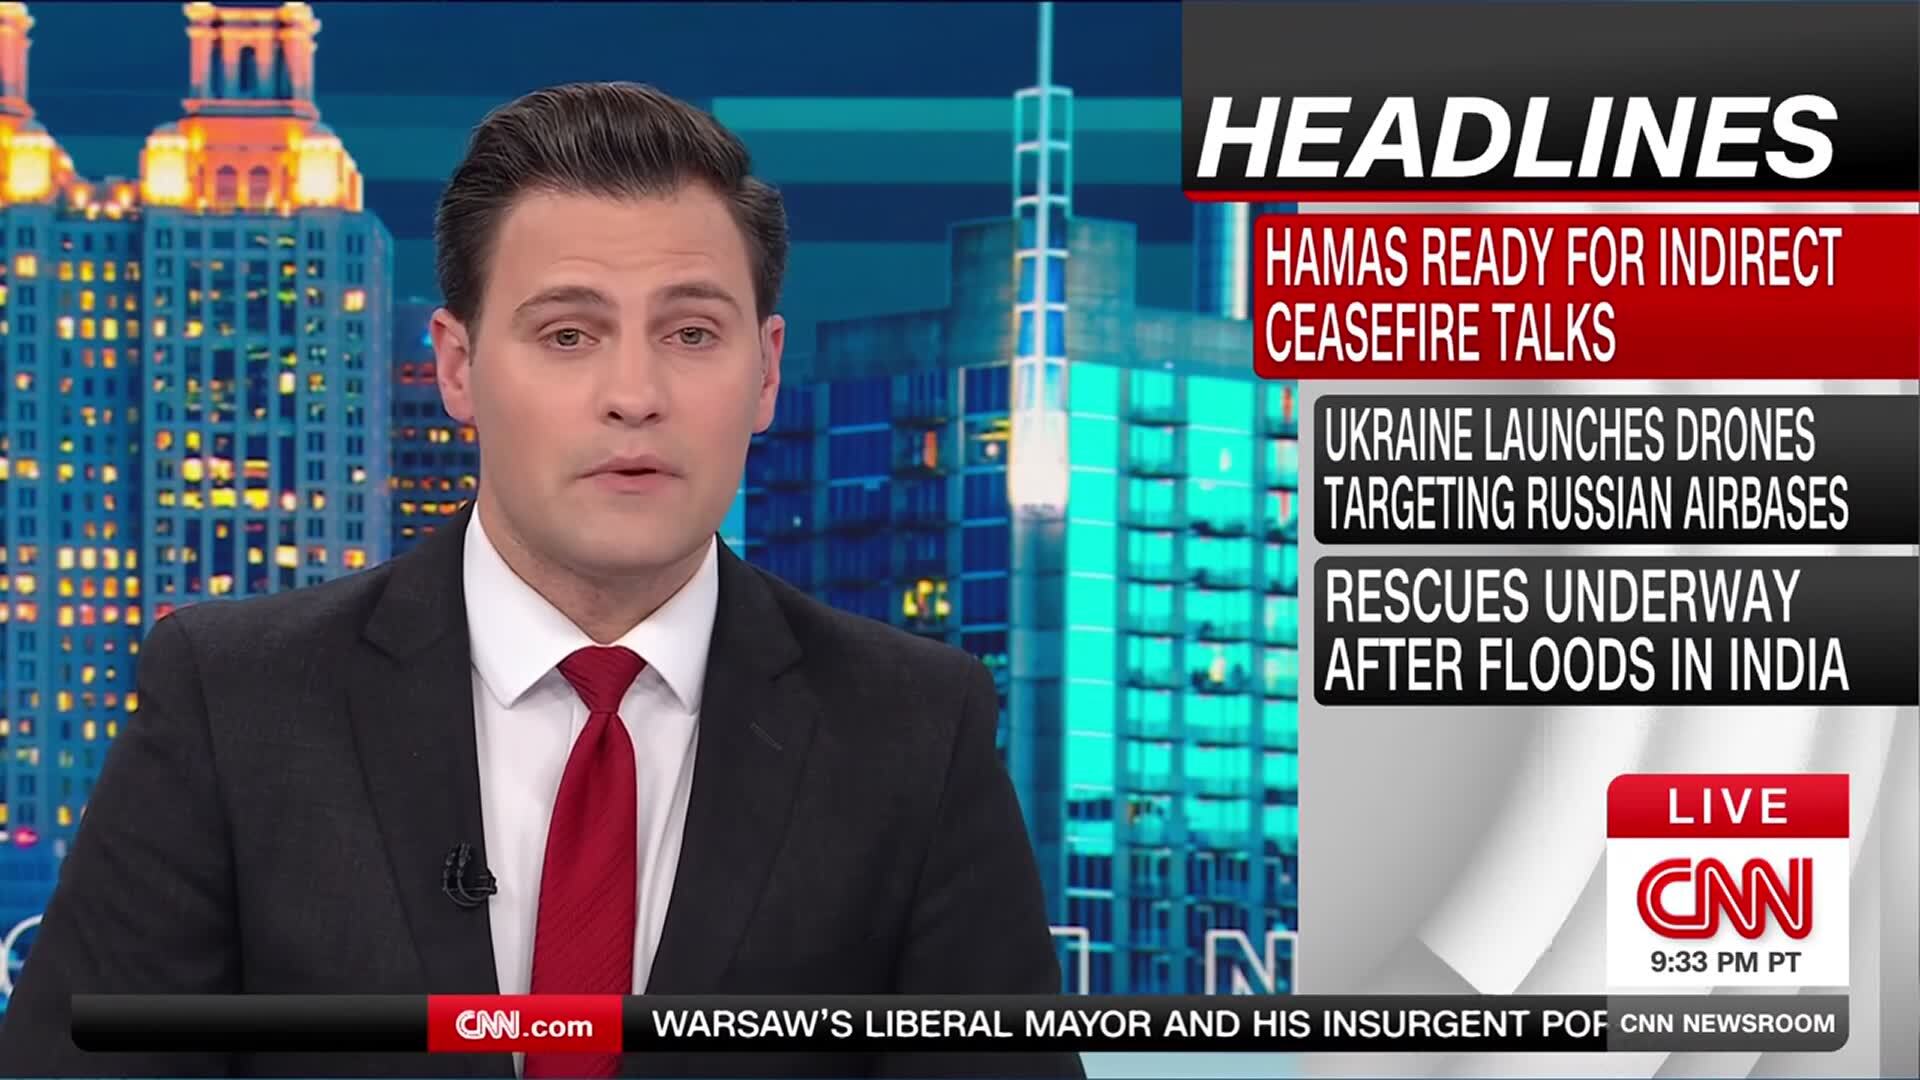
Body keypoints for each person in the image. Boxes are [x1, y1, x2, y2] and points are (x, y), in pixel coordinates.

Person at [0, 82, 1081, 1079]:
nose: (634, 393)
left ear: (765, 372)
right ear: (458, 367)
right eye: (568, 334)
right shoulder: (235, 701)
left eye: (691, 332)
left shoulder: (913, 729)